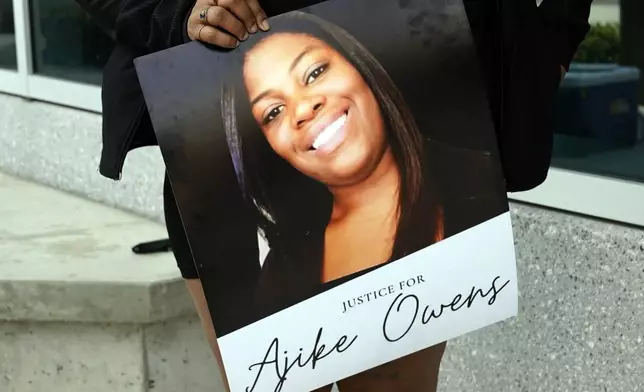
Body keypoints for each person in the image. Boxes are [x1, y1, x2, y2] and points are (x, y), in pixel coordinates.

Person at [74, 0, 593, 391]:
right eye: (272, 110)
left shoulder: (446, 185)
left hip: (424, 81)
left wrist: (556, 32)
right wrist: (171, 12)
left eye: (315, 72)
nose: (302, 107)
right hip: (209, 119)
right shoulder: (244, 219)